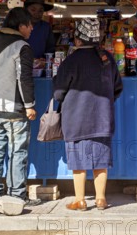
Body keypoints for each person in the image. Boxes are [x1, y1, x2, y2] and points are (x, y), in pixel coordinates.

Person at [52, 18, 123, 211]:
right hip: (103, 119)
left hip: (76, 121)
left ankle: (80, 200)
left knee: (78, 161)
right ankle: (101, 199)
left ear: (78, 39)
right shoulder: (106, 58)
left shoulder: (71, 61)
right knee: (101, 160)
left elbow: (59, 92)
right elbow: (117, 87)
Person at [0, 7, 37, 205]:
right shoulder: (21, 46)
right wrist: (30, 105)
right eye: (29, 25)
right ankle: (17, 195)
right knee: (17, 152)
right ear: (21, 26)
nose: (32, 29)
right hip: (14, 108)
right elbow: (23, 78)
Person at [24, 0, 56, 68]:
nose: (37, 13)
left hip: (39, 69)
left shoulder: (46, 27)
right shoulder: (18, 26)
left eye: (40, 11)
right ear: (25, 10)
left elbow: (50, 50)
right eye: (33, 10)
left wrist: (44, 60)